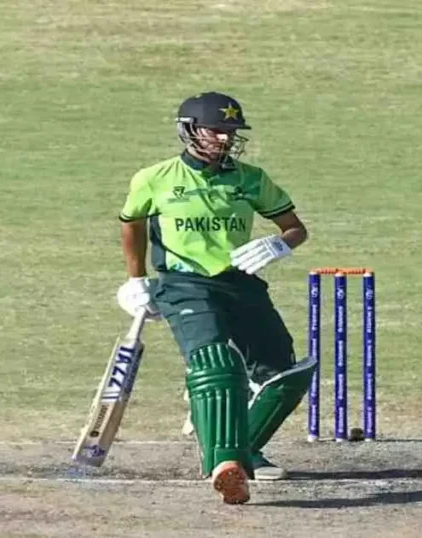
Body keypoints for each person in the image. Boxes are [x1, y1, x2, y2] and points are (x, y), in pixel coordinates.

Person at [114, 91, 315, 504]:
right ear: (189, 130)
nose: (225, 140)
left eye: (231, 133)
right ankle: (225, 464)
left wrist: (281, 245)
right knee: (216, 363)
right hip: (185, 284)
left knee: (284, 375)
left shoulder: (250, 179)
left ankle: (243, 450)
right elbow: (131, 224)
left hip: (241, 281)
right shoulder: (155, 177)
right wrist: (136, 280)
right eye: (216, 131)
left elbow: (295, 227)